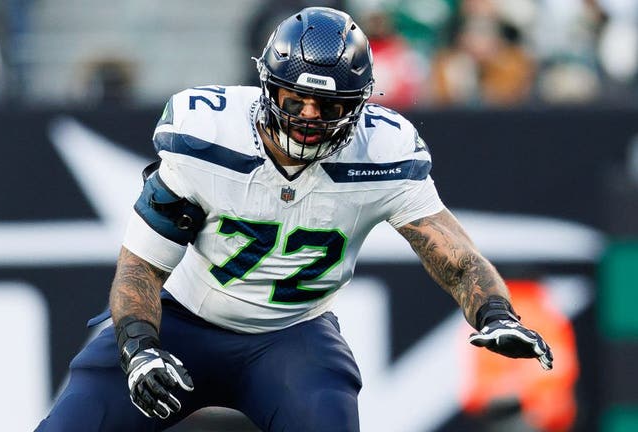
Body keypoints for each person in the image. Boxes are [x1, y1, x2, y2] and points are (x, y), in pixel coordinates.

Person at [35, 7, 554, 432]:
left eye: (328, 105)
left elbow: (456, 259)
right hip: (179, 319)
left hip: (291, 337)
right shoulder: (207, 136)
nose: (308, 115)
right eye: (296, 98)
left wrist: (495, 313)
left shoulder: (384, 153)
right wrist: (140, 348)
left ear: (358, 105)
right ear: (268, 87)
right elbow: (141, 267)